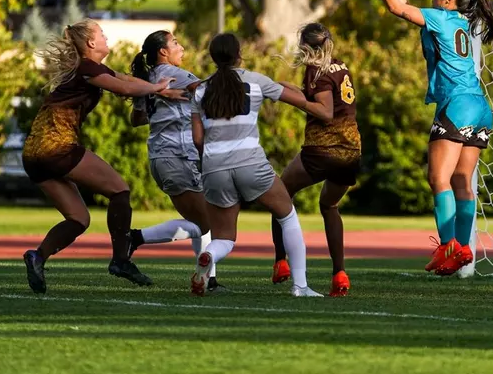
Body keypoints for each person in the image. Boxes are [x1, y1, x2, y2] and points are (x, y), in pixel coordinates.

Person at [354, 0, 493, 276]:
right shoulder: (458, 21)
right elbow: (405, 3)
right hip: (479, 106)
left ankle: (447, 248)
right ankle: (461, 247)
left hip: (458, 104)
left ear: (449, 0)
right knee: (462, 179)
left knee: (437, 177)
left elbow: (397, 8)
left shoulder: (441, 17)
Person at [21, 19, 184, 293]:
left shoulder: (91, 68)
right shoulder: (86, 67)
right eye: (101, 34)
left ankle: (38, 257)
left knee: (79, 220)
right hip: (56, 147)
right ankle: (121, 260)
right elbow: (123, 88)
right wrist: (157, 88)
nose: (106, 37)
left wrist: (160, 90)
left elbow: (124, 79)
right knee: (120, 191)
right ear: (91, 43)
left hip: (34, 154)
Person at [189, 33, 323, 297]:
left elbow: (197, 139)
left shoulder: (201, 89)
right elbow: (300, 102)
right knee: (287, 215)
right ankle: (300, 286)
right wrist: (324, 109)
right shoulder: (257, 81)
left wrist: (213, 160)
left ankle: (208, 255)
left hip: (213, 166)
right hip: (249, 161)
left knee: (225, 237)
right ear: (240, 53)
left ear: (213, 58)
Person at [270, 23, 361, 297]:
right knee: (329, 206)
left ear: (306, 45)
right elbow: (318, 95)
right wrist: (282, 87)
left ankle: (281, 262)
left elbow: (324, 111)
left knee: (279, 194)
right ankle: (339, 274)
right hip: (350, 150)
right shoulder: (338, 65)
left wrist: (290, 99)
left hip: (324, 148)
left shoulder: (315, 70)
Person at [128, 31, 211, 268]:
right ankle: (134, 238)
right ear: (163, 52)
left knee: (201, 221)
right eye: (175, 43)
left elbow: (137, 118)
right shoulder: (173, 74)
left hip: (162, 155)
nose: (181, 47)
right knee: (207, 222)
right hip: (178, 155)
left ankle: (207, 278)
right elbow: (209, 90)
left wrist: (163, 108)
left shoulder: (147, 79)